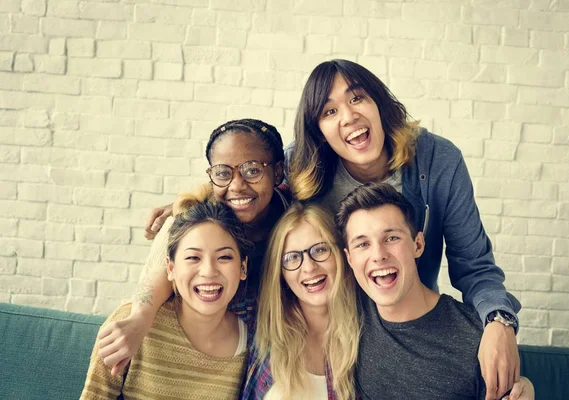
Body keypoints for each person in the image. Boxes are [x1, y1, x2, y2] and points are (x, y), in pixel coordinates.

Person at [288, 59, 522, 400]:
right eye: (329, 111)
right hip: (338, 331)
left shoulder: (436, 160)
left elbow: (474, 266)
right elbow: (246, 193)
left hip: (406, 325)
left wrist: (500, 322)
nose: (348, 116)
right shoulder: (300, 166)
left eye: (356, 98)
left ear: (380, 105)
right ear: (318, 131)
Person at [97, 119, 291, 375]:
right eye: (223, 173)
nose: (236, 185)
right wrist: (140, 319)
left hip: (269, 356)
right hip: (208, 353)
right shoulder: (196, 218)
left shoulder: (293, 218)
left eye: (252, 170)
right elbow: (161, 272)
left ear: (278, 172)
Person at [336, 182, 534, 400]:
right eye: (362, 244)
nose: (378, 254)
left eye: (392, 238)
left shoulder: (477, 338)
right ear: (349, 259)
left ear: (418, 245)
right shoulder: (349, 319)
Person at [81, 195, 252, 399]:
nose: (208, 271)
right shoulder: (128, 325)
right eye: (193, 257)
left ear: (243, 268)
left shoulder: (249, 343)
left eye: (224, 257)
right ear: (170, 268)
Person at [242, 203, 360, 399]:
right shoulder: (260, 325)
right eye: (291, 258)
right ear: (280, 273)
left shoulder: (368, 334)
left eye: (320, 249)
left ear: (341, 252)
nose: (308, 267)